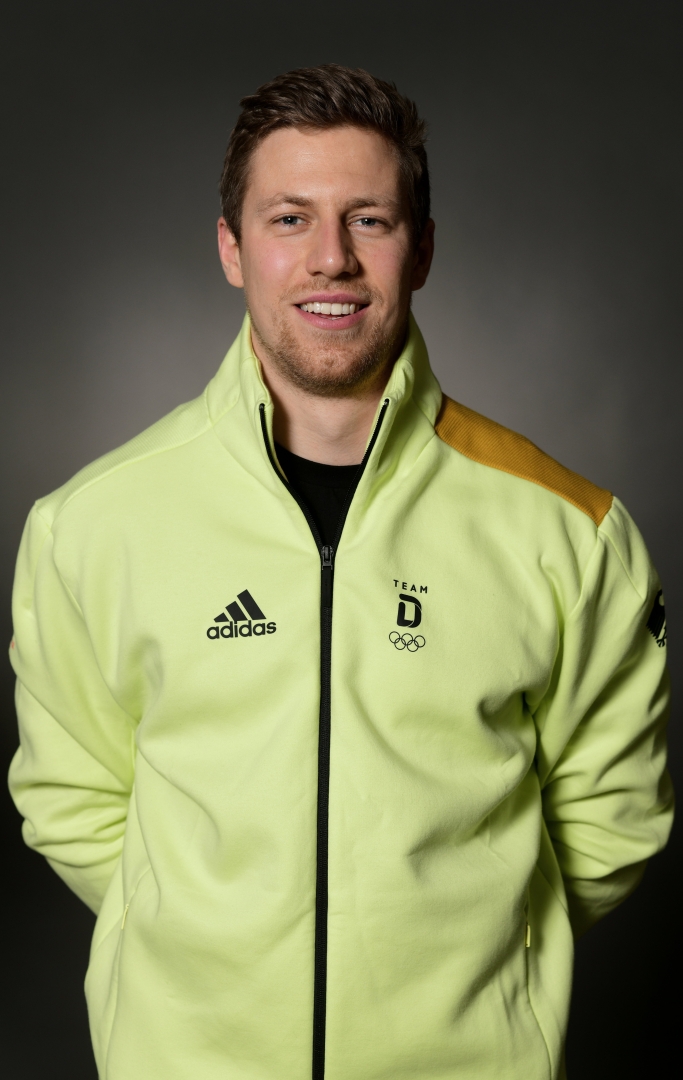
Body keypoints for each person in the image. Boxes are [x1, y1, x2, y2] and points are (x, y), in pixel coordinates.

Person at [8, 64, 672, 1080]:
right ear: (231, 248)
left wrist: (476, 955)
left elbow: (611, 816)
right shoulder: (89, 524)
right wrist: (210, 948)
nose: (330, 258)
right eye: (289, 219)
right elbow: (72, 799)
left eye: (368, 220)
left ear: (422, 249)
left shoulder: (569, 529)